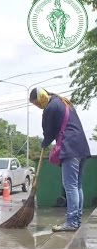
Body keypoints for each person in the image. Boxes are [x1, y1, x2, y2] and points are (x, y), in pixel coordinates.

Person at [29, 87, 91, 232]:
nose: (38, 107)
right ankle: (77, 220)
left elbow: (49, 132)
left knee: (70, 187)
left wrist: (44, 142)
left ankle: (71, 223)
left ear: (42, 97)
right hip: (81, 147)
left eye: (37, 103)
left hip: (69, 148)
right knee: (77, 186)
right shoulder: (64, 102)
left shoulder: (50, 107)